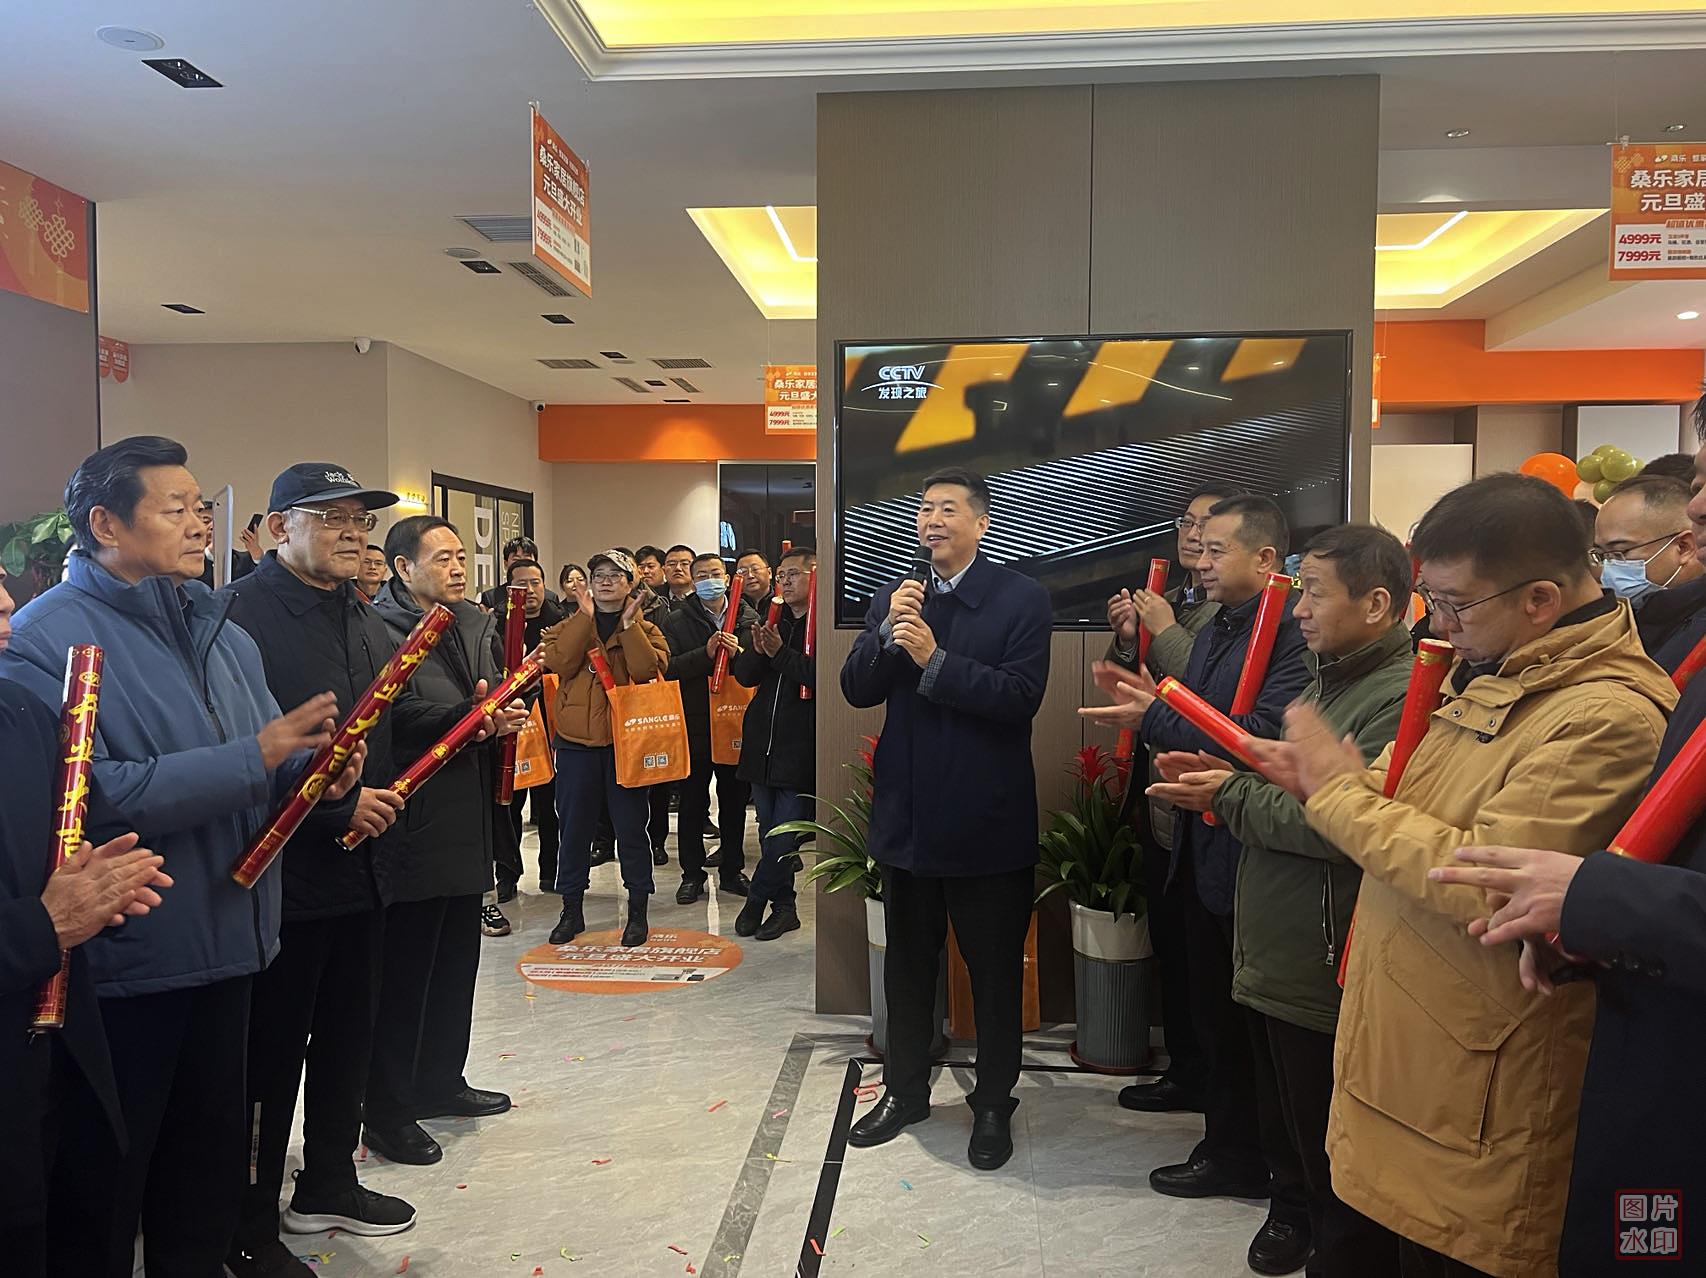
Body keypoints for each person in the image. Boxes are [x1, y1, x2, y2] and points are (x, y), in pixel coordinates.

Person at [1256, 472, 1673, 1278]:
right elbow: (1417, 797)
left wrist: (1339, 796)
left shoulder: (1605, 715)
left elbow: (1485, 881)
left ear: (1541, 599)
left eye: (1455, 604)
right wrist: (1330, 779)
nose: (1438, 625)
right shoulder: (1497, 667)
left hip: (1484, 1075)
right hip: (1421, 1050)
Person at [0, 435, 367, 1277]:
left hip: (233, 939)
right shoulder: (50, 636)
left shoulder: (216, 627)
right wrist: (257, 758)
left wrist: (318, 776)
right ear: (106, 525)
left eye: (202, 507)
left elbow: (266, 760)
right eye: (177, 508)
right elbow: (91, 796)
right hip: (134, 957)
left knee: (205, 1175)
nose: (202, 522)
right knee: (109, 1184)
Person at [1148, 524, 1414, 1277]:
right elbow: (1289, 781)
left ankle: (1322, 1235)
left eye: (1314, 594)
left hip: (1323, 949)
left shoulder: (1400, 694)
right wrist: (1232, 778)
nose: (1296, 610)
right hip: (1277, 937)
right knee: (1285, 1114)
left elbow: (1345, 824)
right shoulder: (1327, 679)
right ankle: (1290, 1212)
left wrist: (1229, 794)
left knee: (1328, 1132)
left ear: (1377, 604)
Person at [1083, 494, 1311, 1219]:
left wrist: (1154, 710)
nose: (1201, 561)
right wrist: (1150, 694)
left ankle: (1271, 1174)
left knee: (1256, 1033)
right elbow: (1197, 708)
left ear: (1267, 559)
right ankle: (1229, 1148)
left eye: (1216, 550)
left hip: (1253, 849)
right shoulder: (1217, 621)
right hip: (1200, 840)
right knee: (1214, 1013)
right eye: (1198, 546)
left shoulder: (1292, 634)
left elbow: (1254, 732)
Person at [220, 463, 420, 1272]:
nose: (351, 533)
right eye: (331, 517)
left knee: (348, 1036)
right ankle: (248, 1221)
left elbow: (382, 738)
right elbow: (238, 754)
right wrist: (338, 809)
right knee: (268, 1058)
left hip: (364, 874)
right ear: (279, 527)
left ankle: (330, 1180)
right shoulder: (236, 619)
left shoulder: (365, 618)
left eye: (360, 520)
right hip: (281, 883)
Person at [842, 468, 1051, 1172]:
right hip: (908, 824)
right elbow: (856, 687)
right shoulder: (896, 594)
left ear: (981, 523)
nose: (931, 520)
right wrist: (886, 634)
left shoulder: (1020, 598)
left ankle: (992, 1103)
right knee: (907, 969)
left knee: (993, 975)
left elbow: (1020, 697)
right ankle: (905, 1093)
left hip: (987, 825)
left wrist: (935, 659)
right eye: (925, 508)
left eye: (948, 509)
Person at [0, 565, 173, 1278]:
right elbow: (44, 916)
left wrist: (105, 887)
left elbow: (85, 829)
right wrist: (41, 927)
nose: (6, 605)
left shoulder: (20, 711)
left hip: (59, 1053)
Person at [363, 515, 525, 1168]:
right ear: (402, 568)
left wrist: (501, 715)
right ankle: (389, 1110)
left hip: (467, 817)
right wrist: (470, 717)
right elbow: (389, 716)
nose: (457, 568)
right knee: (406, 977)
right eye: (442, 558)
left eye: (461, 556)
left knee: (456, 967)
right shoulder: (378, 630)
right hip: (410, 820)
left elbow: (485, 698)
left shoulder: (473, 623)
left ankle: (440, 1081)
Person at [1106, 480, 1243, 1118]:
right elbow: (1136, 685)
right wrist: (1129, 636)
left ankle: (1214, 1089)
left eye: (1209, 530)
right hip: (1161, 793)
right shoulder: (1179, 599)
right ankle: (1187, 1071)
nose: (1194, 537)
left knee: (1208, 957)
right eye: (1188, 524)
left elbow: (1214, 699)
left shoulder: (1244, 613)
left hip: (1210, 802)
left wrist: (1161, 629)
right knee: (1174, 941)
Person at [538, 550, 671, 948]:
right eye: (599, 575)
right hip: (576, 744)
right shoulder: (567, 626)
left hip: (625, 744)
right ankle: (571, 909)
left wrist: (629, 628)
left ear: (631, 584)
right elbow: (561, 663)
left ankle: (638, 910)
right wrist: (583, 618)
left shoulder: (648, 630)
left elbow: (647, 672)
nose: (606, 581)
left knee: (632, 829)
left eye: (616, 575)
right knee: (574, 829)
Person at [663, 553, 759, 903]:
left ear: (728, 577)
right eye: (701, 575)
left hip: (735, 721)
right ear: (692, 581)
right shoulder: (676, 620)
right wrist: (705, 654)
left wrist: (739, 654)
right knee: (692, 801)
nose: (709, 581)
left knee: (734, 801)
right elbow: (668, 668)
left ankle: (732, 869)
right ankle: (691, 875)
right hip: (695, 721)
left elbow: (758, 667)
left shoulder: (748, 617)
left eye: (715, 574)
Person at [732, 546, 816, 941]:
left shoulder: (825, 626)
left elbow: (817, 677)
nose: (785, 581)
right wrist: (759, 648)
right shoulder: (773, 619)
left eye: (793, 574)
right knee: (769, 835)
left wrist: (779, 653)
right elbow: (746, 676)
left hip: (800, 749)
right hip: (760, 744)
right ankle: (785, 909)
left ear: (816, 575)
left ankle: (755, 902)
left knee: (784, 839)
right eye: (781, 575)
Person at [1594, 474, 1706, 674]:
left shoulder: (1697, 631)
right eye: (1603, 555)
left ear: (1684, 547)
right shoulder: (1624, 623)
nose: (1608, 569)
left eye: (1620, 552)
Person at [502, 558, 567, 899]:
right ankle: (507, 875)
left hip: (554, 725)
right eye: (521, 584)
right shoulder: (498, 624)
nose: (529, 590)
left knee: (551, 806)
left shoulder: (562, 622)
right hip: (512, 723)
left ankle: (551, 873)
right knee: (509, 805)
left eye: (536, 582)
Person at [477, 535, 557, 611]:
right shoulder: (491, 598)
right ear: (505, 564)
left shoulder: (550, 598)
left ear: (535, 562)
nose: (522, 564)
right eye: (516, 559)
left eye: (527, 559)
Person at [662, 544, 697, 608]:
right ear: (664, 570)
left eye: (685, 563)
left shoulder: (705, 596)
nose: (678, 568)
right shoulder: (655, 598)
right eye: (672, 564)